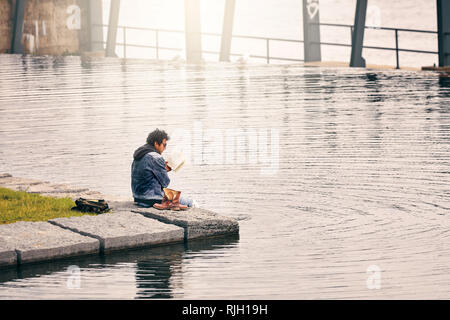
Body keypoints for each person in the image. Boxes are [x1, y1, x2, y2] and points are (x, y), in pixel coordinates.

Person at [131, 128, 196, 208]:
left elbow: (146, 175)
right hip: (152, 198)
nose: (165, 148)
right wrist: (167, 169)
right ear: (156, 144)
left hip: (138, 197)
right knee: (190, 202)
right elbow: (165, 183)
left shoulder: (140, 153)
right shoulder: (156, 157)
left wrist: (161, 169)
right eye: (164, 145)